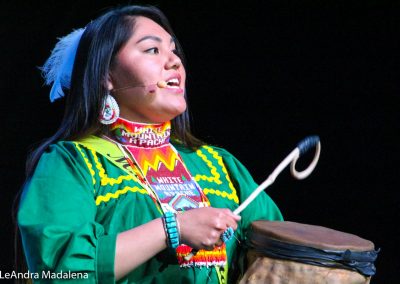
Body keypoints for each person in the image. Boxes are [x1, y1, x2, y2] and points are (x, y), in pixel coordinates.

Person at [17, 5, 283, 283]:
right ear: (106, 75)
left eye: (173, 50)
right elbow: (61, 272)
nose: (174, 62)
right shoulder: (71, 163)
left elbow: (280, 255)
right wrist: (172, 228)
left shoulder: (219, 166)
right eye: (152, 50)